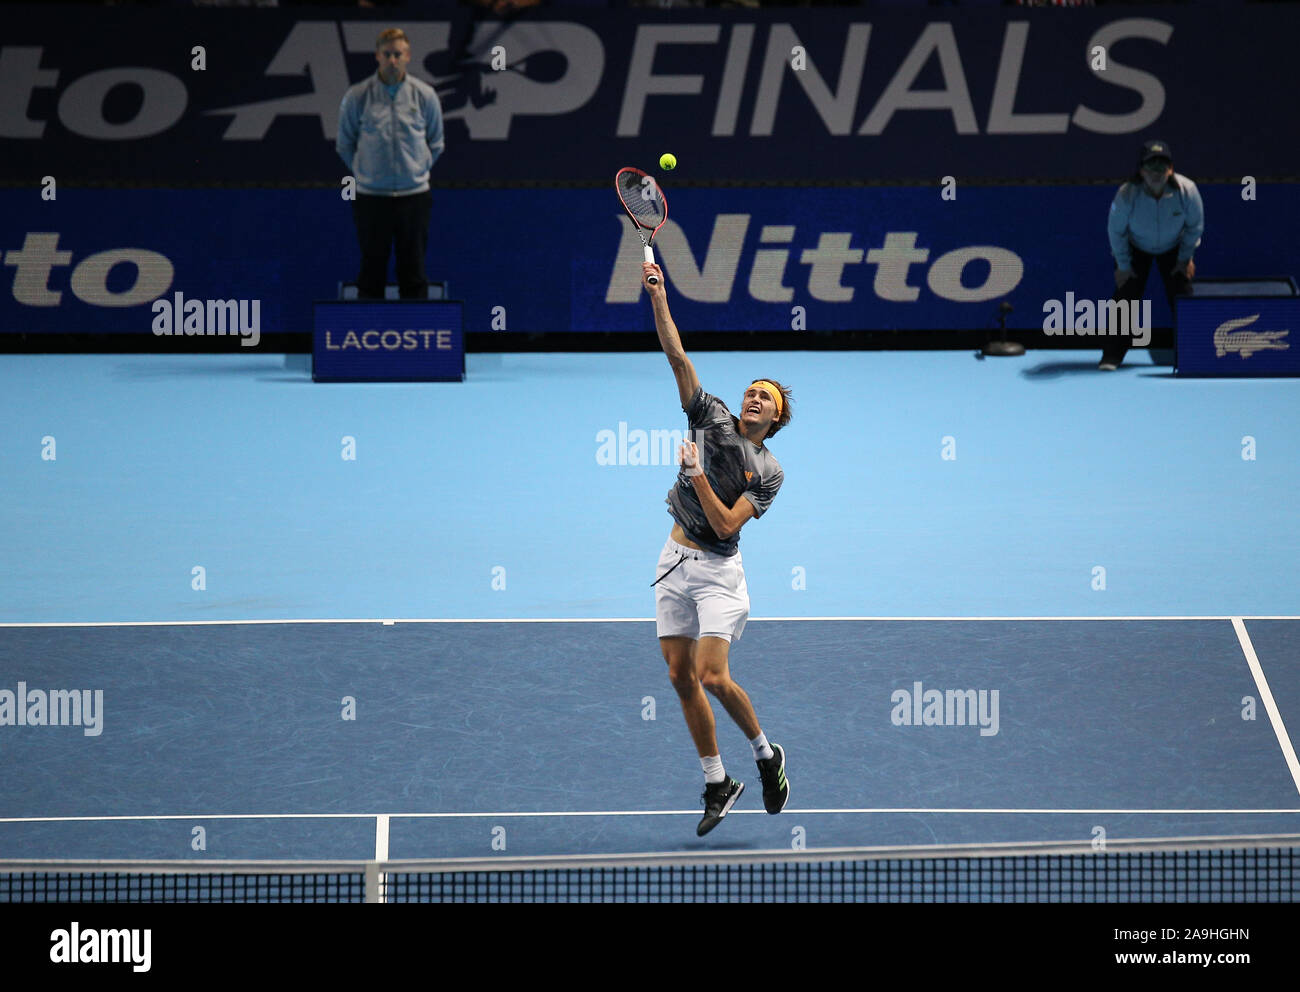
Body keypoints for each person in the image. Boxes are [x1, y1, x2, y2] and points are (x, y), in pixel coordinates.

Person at [641, 260, 792, 836]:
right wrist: (658, 295)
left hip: (719, 578)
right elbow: (677, 357)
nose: (754, 398)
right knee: (679, 676)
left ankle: (764, 754)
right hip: (672, 560)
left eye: (766, 398)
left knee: (711, 675)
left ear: (775, 419)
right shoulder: (710, 415)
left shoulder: (770, 470)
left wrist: (697, 474)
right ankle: (716, 782)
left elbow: (727, 526)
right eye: (752, 390)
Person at [337, 28, 445, 300]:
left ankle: (414, 338)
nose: (392, 60)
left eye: (398, 54)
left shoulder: (425, 95)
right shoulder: (357, 96)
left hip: (415, 197)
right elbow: (344, 144)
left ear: (408, 56)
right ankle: (368, 337)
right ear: (377, 56)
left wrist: (416, 171)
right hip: (371, 198)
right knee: (372, 270)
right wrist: (368, 174)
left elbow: (436, 143)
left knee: (414, 270)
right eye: (387, 54)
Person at [1101, 139, 1203, 370]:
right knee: (1125, 297)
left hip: (1174, 247)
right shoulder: (1127, 194)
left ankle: (1192, 356)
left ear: (1171, 169)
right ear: (1141, 170)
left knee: (1183, 296)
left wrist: (1185, 258)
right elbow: (1115, 231)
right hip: (1136, 246)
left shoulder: (1187, 191)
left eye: (1162, 166)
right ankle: (1112, 356)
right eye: (1151, 166)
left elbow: (1195, 227)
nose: (1156, 172)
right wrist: (1124, 266)